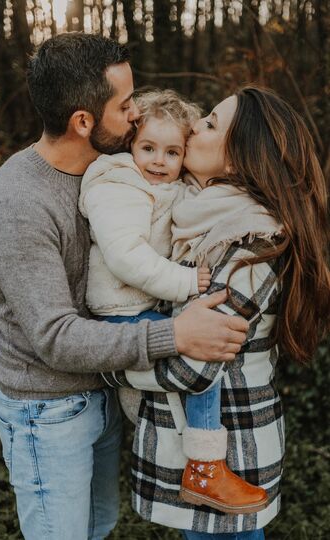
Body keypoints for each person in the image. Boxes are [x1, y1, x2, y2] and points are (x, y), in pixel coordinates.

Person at [0, 33, 250, 540]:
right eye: (125, 106)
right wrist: (175, 336)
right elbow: (55, 337)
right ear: (84, 121)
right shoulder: (16, 206)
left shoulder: (115, 169)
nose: (136, 115)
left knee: (99, 528)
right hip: (49, 414)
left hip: (102, 389)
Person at [101, 86, 330, 538]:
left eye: (210, 123)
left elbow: (194, 365)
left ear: (237, 159)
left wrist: (105, 366)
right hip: (197, 457)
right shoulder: (200, 216)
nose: (194, 126)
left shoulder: (251, 242)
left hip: (232, 457)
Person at [79, 88, 268, 514]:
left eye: (171, 152)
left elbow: (199, 202)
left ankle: (200, 463)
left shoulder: (173, 188)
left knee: (195, 357)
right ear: (131, 146)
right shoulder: (122, 184)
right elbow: (126, 257)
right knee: (197, 349)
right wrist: (185, 282)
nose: (158, 161)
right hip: (119, 311)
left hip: (144, 309)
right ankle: (204, 464)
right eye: (148, 148)